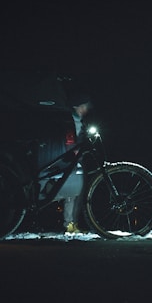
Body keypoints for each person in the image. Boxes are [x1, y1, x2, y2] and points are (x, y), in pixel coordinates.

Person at [61, 92, 92, 233]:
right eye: (84, 106)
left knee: (78, 193)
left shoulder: (80, 120)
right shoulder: (71, 119)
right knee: (71, 193)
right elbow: (69, 138)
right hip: (72, 159)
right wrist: (72, 152)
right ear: (79, 106)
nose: (86, 110)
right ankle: (68, 224)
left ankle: (74, 223)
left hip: (78, 159)